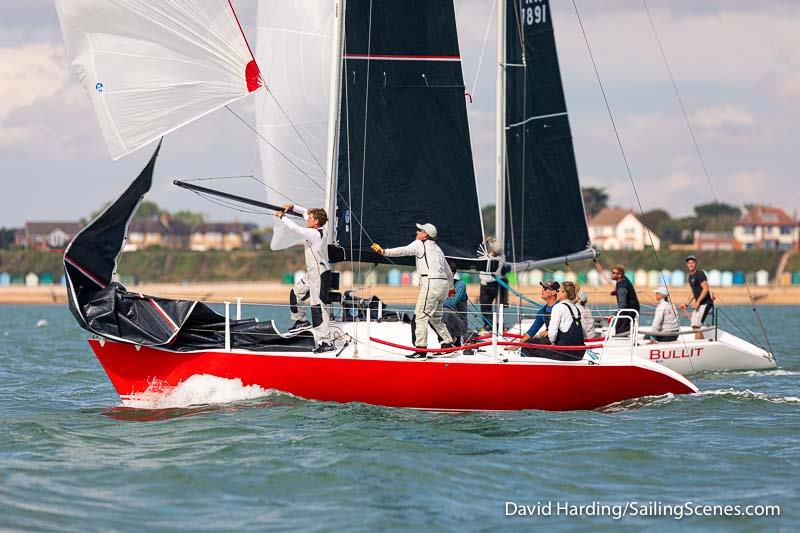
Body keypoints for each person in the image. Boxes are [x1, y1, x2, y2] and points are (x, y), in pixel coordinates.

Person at [372, 223, 454, 358]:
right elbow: (448, 271)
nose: (417, 231)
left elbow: (403, 251)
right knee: (435, 317)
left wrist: (383, 251)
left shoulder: (419, 244)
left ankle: (421, 350)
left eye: (420, 230)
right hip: (443, 286)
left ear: (425, 234)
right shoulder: (438, 249)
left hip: (431, 283)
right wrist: (451, 288)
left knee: (420, 317)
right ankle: (447, 344)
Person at [275, 203, 334, 353]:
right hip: (312, 274)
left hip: (320, 274)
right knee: (295, 294)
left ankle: (325, 341)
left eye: (310, 219)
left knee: (317, 306)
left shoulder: (315, 233)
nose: (307, 220)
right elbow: (305, 213)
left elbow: (296, 229)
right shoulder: (315, 226)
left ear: (316, 222)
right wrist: (292, 207)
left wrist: (283, 217)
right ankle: (301, 321)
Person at [411, 259, 467, 347]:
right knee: (419, 313)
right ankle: (418, 346)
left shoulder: (460, 285)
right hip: (444, 315)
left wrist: (433, 300)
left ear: (451, 274)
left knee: (442, 311)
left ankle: (452, 340)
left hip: (460, 325)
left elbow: (451, 303)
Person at [506, 280, 559, 352]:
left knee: (528, 347)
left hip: (560, 341)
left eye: (545, 289)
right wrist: (517, 346)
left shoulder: (561, 307)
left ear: (553, 292)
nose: (542, 290)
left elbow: (567, 326)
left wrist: (549, 332)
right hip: (549, 340)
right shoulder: (542, 311)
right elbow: (531, 331)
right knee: (526, 346)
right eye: (542, 288)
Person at [680, 254, 713, 340]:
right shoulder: (690, 277)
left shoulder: (700, 274)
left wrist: (697, 302)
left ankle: (700, 345)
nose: (691, 264)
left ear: (696, 264)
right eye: (689, 263)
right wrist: (686, 304)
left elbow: (706, 288)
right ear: (687, 265)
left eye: (693, 262)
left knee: (697, 325)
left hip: (705, 303)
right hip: (698, 304)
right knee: (694, 326)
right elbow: (693, 292)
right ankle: (700, 343)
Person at [478, 239, 508, 331]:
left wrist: (485, 242)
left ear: (493, 250)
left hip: (486, 286)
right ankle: (498, 324)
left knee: (485, 307)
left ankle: (488, 325)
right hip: (497, 285)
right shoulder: (502, 258)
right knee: (498, 306)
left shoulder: (487, 257)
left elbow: (480, 252)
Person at [610, 265, 640, 335]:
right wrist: (616, 292)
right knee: (622, 327)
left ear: (620, 275)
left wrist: (614, 315)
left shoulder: (622, 286)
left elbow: (623, 304)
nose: (612, 274)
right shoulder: (623, 280)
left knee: (620, 329)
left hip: (628, 311)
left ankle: (624, 342)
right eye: (612, 272)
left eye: (614, 273)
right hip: (632, 309)